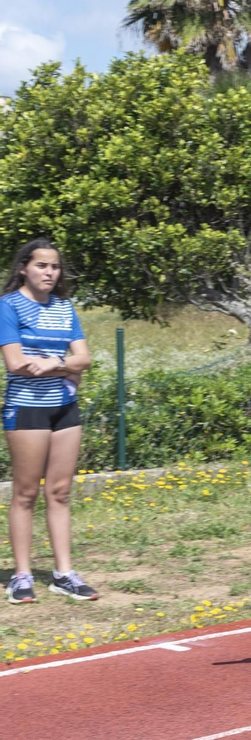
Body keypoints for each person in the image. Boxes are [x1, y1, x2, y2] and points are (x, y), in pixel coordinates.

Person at [1, 240, 96, 604]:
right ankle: (22, 576)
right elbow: (15, 363)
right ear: (24, 267)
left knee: (59, 492)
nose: (49, 273)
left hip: (65, 408)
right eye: (41, 266)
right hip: (27, 409)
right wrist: (65, 365)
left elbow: (84, 358)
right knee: (25, 494)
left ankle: (63, 574)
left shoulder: (64, 307)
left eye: (54, 267)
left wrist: (55, 365)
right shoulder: (8, 307)